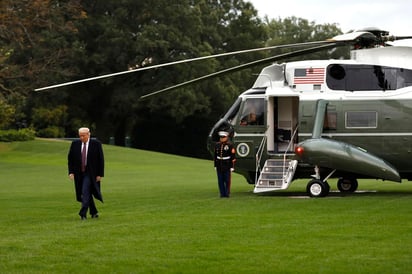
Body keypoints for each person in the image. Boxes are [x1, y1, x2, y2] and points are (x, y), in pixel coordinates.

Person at [68, 127, 105, 220]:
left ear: (89, 134)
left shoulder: (96, 144)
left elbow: (101, 160)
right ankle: (94, 212)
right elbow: (70, 159)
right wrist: (71, 172)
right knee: (84, 193)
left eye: (83, 136)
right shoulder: (75, 144)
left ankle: (83, 213)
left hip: (91, 173)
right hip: (79, 173)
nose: (81, 138)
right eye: (80, 136)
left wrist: (100, 174)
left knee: (85, 192)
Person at [214, 131, 236, 198]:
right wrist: (215, 165)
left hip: (227, 165)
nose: (222, 138)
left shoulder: (230, 145)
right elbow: (215, 156)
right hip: (219, 165)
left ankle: (227, 193)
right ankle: (222, 193)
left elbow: (233, 157)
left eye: (223, 137)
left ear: (227, 137)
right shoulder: (217, 145)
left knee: (227, 180)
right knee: (220, 180)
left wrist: (232, 166)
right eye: (221, 137)